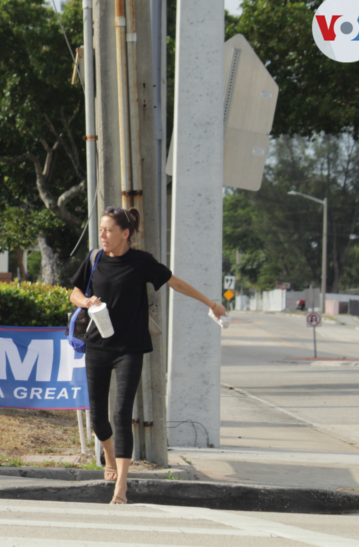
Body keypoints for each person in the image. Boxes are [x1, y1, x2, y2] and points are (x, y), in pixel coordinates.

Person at [69, 206, 227, 505]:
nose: (102, 235)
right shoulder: (94, 258)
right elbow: (74, 293)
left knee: (121, 414)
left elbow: (175, 282)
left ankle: (122, 488)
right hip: (97, 346)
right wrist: (86, 301)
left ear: (124, 234)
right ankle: (109, 455)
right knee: (98, 418)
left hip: (129, 348)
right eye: (101, 230)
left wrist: (211, 303)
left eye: (108, 230)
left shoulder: (141, 262)